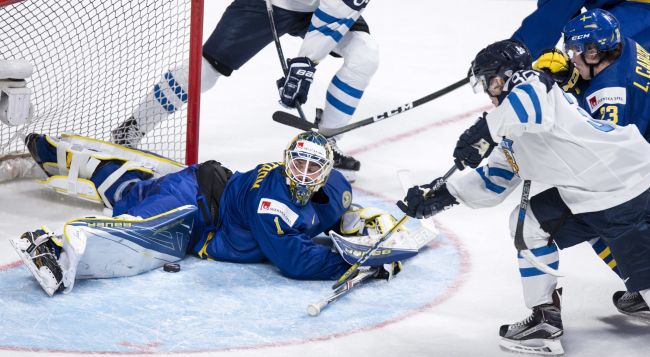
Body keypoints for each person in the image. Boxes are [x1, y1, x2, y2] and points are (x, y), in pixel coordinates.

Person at [397, 39, 650, 355]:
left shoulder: (534, 86)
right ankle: (544, 318)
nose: (489, 92)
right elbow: (495, 181)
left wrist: (483, 132)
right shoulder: (513, 120)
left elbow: (528, 106)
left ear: (502, 77)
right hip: (602, 190)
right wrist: (444, 194)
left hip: (622, 190)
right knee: (527, 221)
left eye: (489, 82)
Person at [13, 130, 411, 296]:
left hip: (205, 188)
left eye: (312, 167)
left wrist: (353, 226)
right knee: (138, 231)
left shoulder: (337, 189)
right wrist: (354, 262)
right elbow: (295, 261)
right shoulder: (271, 204)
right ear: (286, 160)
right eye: (297, 163)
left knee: (133, 194)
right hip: (197, 206)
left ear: (326, 172)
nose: (303, 173)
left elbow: (342, 212)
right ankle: (51, 249)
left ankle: (86, 164)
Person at [111, 0, 379, 182]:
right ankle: (132, 127)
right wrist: (305, 64)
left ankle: (325, 146)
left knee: (364, 56)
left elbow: (333, 14)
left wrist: (305, 63)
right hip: (268, 5)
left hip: (322, 9)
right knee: (204, 71)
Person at [533, 8, 650, 317]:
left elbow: (601, 152)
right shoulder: (627, 46)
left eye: (575, 51)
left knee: (595, 210)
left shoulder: (611, 95)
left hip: (638, 177)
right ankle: (640, 285)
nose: (570, 56)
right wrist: (573, 80)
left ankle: (642, 283)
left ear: (595, 52)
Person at [510, 0, 650, 60]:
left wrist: (517, 52)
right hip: (636, 13)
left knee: (599, 61)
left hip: (639, 14)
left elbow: (554, 13)